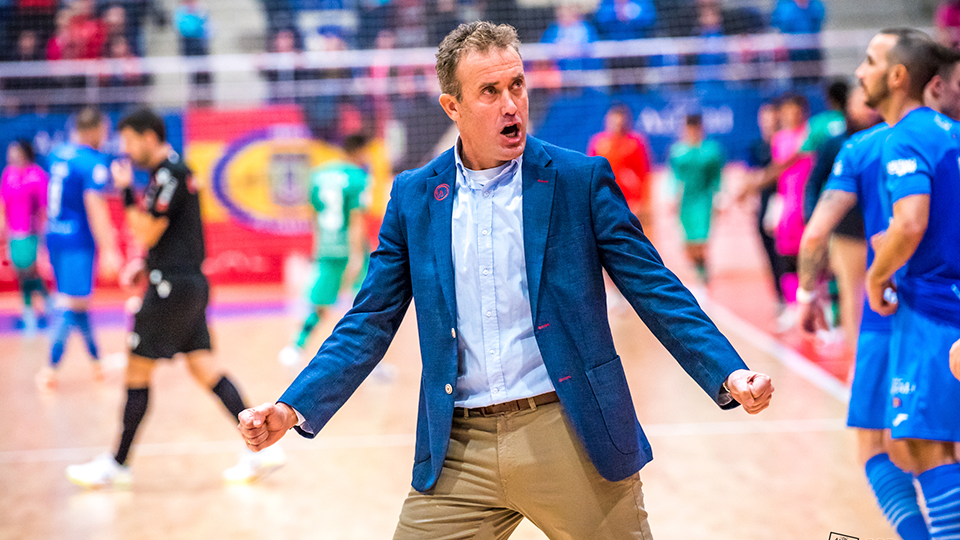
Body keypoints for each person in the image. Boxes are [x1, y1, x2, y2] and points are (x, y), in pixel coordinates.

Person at [238, 22, 774, 539]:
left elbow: (655, 288)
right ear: (452, 107)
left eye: (516, 84)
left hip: (570, 431)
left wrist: (729, 372)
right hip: (457, 448)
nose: (510, 103)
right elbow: (368, 322)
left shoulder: (578, 181)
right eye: (489, 91)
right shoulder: (414, 198)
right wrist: (292, 407)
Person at [65, 108, 285, 488]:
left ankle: (116, 464)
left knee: (137, 371)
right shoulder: (166, 174)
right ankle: (266, 448)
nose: (126, 149)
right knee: (205, 369)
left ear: (149, 137)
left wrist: (124, 191)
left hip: (172, 289)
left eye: (130, 140)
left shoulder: (170, 173)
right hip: (184, 284)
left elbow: (147, 230)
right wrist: (144, 263)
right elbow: (163, 238)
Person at [862, 27, 960, 539]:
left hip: (932, 312)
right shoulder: (950, 132)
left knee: (925, 447)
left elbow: (911, 222)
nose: (860, 71)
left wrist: (877, 274)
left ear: (898, 77)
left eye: (871, 61)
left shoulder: (905, 136)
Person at [39, 107, 122, 390]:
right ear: (95, 129)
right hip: (77, 241)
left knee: (78, 302)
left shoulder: (57, 154)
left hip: (55, 236)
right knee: (71, 304)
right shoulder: (92, 161)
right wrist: (110, 249)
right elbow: (95, 206)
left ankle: (98, 362)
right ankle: (49, 368)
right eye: (105, 130)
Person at [278, 134, 370, 366]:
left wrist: (318, 246)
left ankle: (295, 347)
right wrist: (357, 256)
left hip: (327, 247)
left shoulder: (319, 175)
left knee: (319, 303)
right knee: (365, 307)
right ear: (359, 152)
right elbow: (356, 220)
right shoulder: (358, 177)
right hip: (350, 249)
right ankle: (368, 360)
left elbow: (313, 215)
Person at [799, 87, 878, 352]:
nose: (867, 107)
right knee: (852, 296)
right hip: (846, 233)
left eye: (870, 102)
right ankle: (856, 358)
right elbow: (814, 183)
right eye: (860, 101)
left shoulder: (889, 139)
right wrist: (814, 219)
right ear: (848, 106)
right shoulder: (836, 144)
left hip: (881, 232)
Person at [0, 139, 51, 334]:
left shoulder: (37, 175)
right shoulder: (8, 175)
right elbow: (3, 202)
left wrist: (44, 234)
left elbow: (44, 206)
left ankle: (36, 305)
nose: (11, 155)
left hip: (32, 230)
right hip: (14, 231)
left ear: (24, 152)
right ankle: (37, 304)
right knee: (20, 270)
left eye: (15, 151)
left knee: (29, 269)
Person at [668, 112, 725, 284]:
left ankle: (703, 274)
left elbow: (717, 177)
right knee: (688, 243)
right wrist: (672, 197)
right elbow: (674, 177)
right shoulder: (678, 151)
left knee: (701, 241)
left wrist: (720, 197)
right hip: (685, 202)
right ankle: (698, 268)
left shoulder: (711, 151)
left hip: (703, 201)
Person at [587, 103, 653, 231]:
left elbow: (644, 173)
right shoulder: (599, 143)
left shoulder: (635, 142)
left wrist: (642, 201)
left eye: (620, 122)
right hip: (606, 199)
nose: (617, 126)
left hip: (630, 201)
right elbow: (591, 173)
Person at [746, 102, 787, 310]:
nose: (768, 123)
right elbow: (751, 178)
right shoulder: (756, 146)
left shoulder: (785, 144)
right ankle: (779, 297)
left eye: (773, 118)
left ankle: (791, 298)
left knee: (785, 254)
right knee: (770, 254)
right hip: (764, 207)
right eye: (765, 118)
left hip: (785, 205)